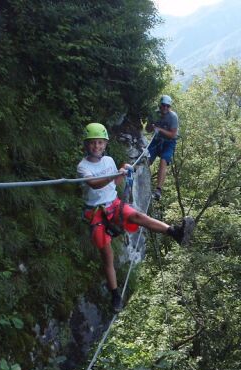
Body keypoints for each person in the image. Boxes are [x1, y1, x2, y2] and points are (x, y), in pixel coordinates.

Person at [77, 122, 194, 312]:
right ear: (86, 145)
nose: (96, 146)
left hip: (113, 204)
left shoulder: (108, 161)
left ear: (105, 144)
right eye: (92, 143)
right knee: (108, 256)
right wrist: (116, 173)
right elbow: (94, 184)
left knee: (138, 216)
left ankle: (175, 232)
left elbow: (115, 182)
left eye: (100, 143)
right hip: (96, 212)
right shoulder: (83, 167)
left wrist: (123, 170)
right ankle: (115, 296)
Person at [147, 94, 179, 200]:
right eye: (163, 105)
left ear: (170, 107)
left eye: (167, 106)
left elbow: (173, 134)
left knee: (163, 160)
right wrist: (151, 127)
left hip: (169, 142)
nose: (165, 108)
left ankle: (158, 190)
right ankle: (141, 178)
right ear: (160, 105)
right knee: (146, 159)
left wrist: (159, 129)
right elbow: (147, 129)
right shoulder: (154, 114)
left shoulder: (173, 117)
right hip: (157, 140)